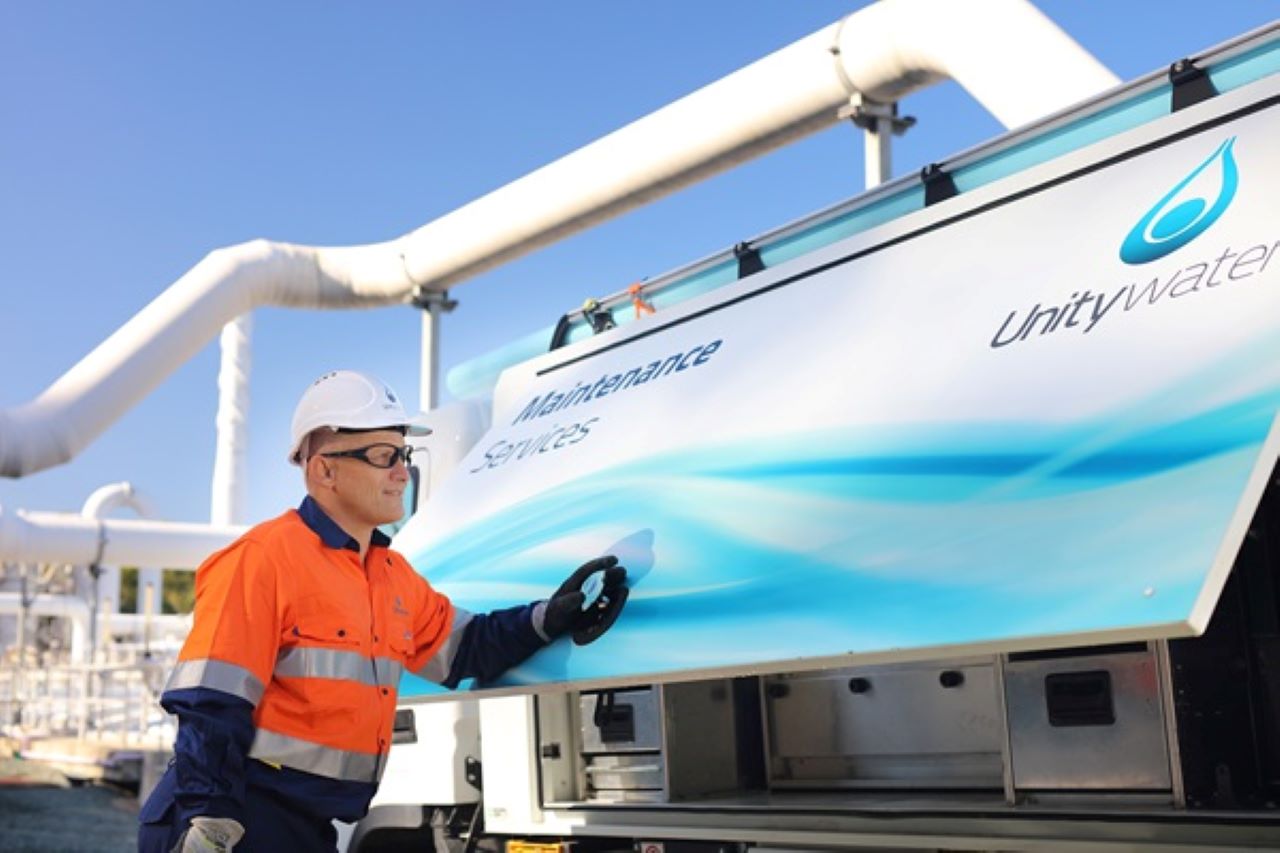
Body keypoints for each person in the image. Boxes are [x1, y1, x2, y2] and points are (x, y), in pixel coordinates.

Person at [138, 370, 626, 852]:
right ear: (323, 471)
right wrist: (209, 824)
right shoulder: (262, 560)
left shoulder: (392, 576)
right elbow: (209, 702)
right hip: (233, 820)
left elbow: (467, 649)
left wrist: (548, 619)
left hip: (302, 824)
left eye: (403, 455)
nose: (401, 473)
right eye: (382, 456)